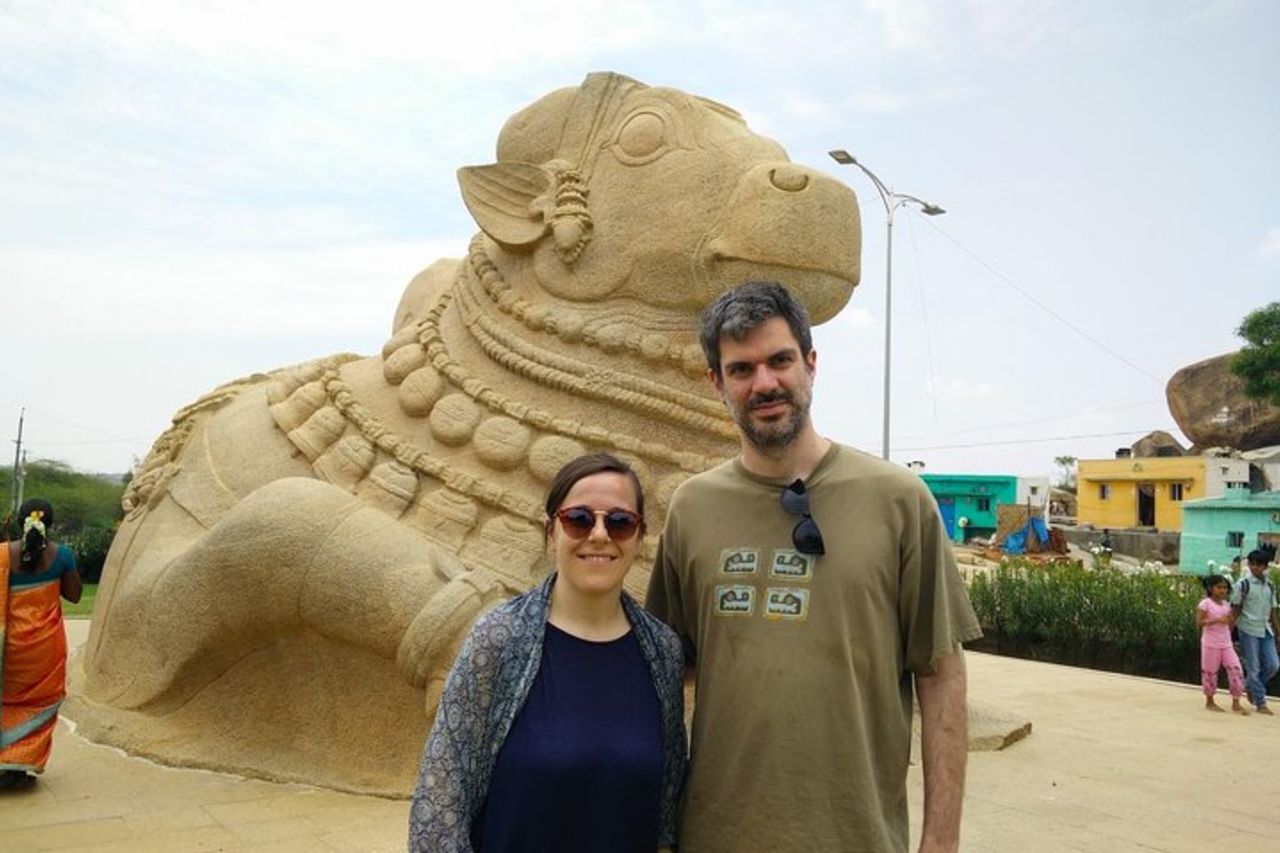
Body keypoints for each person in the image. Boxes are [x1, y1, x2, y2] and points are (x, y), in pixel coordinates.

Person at [647, 281, 982, 853]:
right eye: (741, 369)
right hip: (713, 835)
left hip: (856, 836)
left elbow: (941, 676)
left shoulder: (898, 499)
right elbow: (664, 671)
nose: (765, 383)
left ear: (810, 363)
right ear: (716, 382)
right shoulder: (691, 508)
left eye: (780, 360)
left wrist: (940, 840)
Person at [409, 453, 687, 853]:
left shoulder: (662, 652)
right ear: (551, 530)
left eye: (620, 522)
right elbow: (440, 801)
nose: (599, 534)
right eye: (578, 519)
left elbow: (665, 812)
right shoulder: (499, 638)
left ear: (640, 538)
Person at [1, 498, 82, 789]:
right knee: (38, 703)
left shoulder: (1, 555)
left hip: (6, 649)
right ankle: (18, 765)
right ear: (50, 523)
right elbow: (74, 596)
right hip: (43, 651)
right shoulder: (62, 556)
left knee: (4, 701)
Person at [1231, 547, 1279, 715]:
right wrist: (1228, 633)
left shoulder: (1270, 586)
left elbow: (1272, 610)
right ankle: (1260, 702)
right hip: (1248, 629)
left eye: (1259, 564)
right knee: (1254, 668)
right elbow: (1235, 609)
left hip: (1265, 629)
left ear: (1266, 566)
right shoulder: (1242, 585)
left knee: (1273, 665)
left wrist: (1277, 631)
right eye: (1252, 564)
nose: (1255, 567)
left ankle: (1250, 685)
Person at [1195, 573, 1247, 714]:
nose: (1222, 591)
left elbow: (1230, 621)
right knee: (1210, 672)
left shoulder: (1226, 605)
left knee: (1236, 669)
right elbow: (1199, 622)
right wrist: (1215, 621)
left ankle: (1236, 701)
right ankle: (1210, 701)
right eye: (1219, 587)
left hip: (1225, 643)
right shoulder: (1205, 604)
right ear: (1211, 588)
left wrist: (1229, 623)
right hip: (1210, 643)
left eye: (1225, 588)